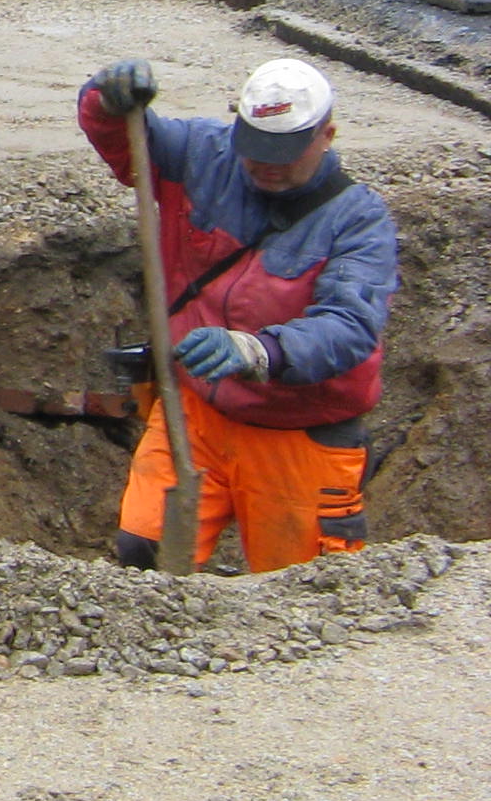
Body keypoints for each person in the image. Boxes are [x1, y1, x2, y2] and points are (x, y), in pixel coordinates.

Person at [80, 56, 396, 573]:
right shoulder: (205, 155)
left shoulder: (358, 222)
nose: (267, 165)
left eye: (284, 154)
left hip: (297, 433)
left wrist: (258, 349)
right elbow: (124, 136)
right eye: (257, 149)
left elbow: (349, 325)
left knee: (300, 588)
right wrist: (106, 98)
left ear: (327, 135)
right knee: (145, 551)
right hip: (197, 414)